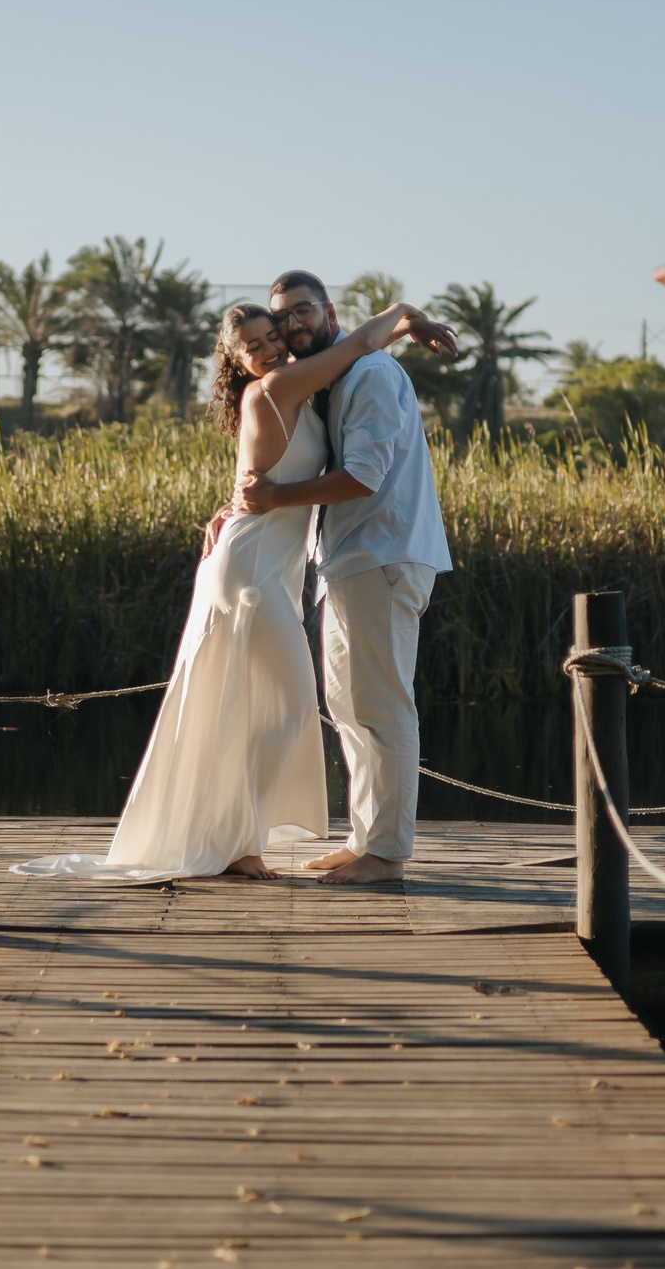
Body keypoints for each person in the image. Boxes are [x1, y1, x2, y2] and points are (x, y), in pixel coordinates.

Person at [14, 295, 455, 882]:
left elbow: (265, 474)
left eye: (275, 334)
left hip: (276, 566)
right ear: (236, 359)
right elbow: (355, 344)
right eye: (256, 345)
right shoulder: (276, 388)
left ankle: (252, 840)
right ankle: (242, 841)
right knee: (284, 703)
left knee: (271, 704)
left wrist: (406, 320)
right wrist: (404, 315)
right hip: (249, 574)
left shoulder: (310, 386)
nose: (273, 346)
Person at [234, 270, 454, 884]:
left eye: (303, 311)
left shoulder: (372, 375)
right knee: (351, 706)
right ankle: (365, 840)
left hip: (382, 557)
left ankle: (387, 854)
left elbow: (364, 477)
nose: (293, 325)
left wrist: (275, 497)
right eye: (283, 320)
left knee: (382, 706)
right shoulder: (333, 379)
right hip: (345, 561)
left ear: (329, 310)